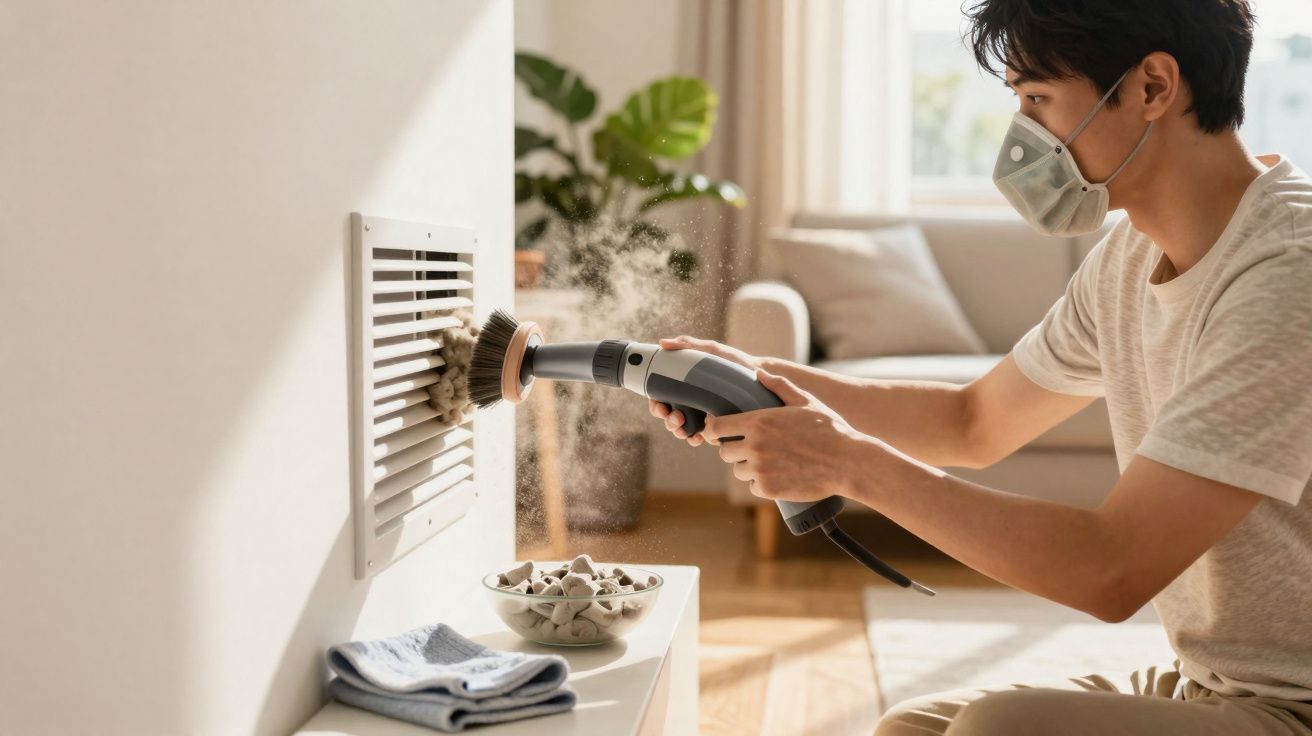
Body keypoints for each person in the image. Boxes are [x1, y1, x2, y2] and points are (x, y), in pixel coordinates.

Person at [650, 1, 1312, 733]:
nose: (1020, 135)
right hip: (1212, 685)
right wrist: (760, 375)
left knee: (995, 729)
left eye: (1037, 99)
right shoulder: (1127, 259)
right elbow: (973, 423)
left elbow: (1112, 568)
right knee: (912, 728)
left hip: (1296, 704)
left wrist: (848, 465)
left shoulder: (1286, 275)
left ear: (1153, 87)